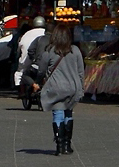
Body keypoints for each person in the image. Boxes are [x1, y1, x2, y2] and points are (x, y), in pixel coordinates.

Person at [30, 22, 85, 156]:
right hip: (72, 87)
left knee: (58, 114)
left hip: (56, 87)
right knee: (68, 113)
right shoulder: (75, 50)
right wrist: (81, 88)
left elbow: (41, 70)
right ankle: (67, 144)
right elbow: (81, 72)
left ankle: (59, 144)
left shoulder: (49, 52)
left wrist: (38, 82)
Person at [14, 15, 47, 91]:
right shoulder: (46, 34)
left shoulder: (27, 34)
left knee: (20, 71)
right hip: (43, 60)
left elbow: (20, 47)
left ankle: (21, 90)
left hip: (28, 59)